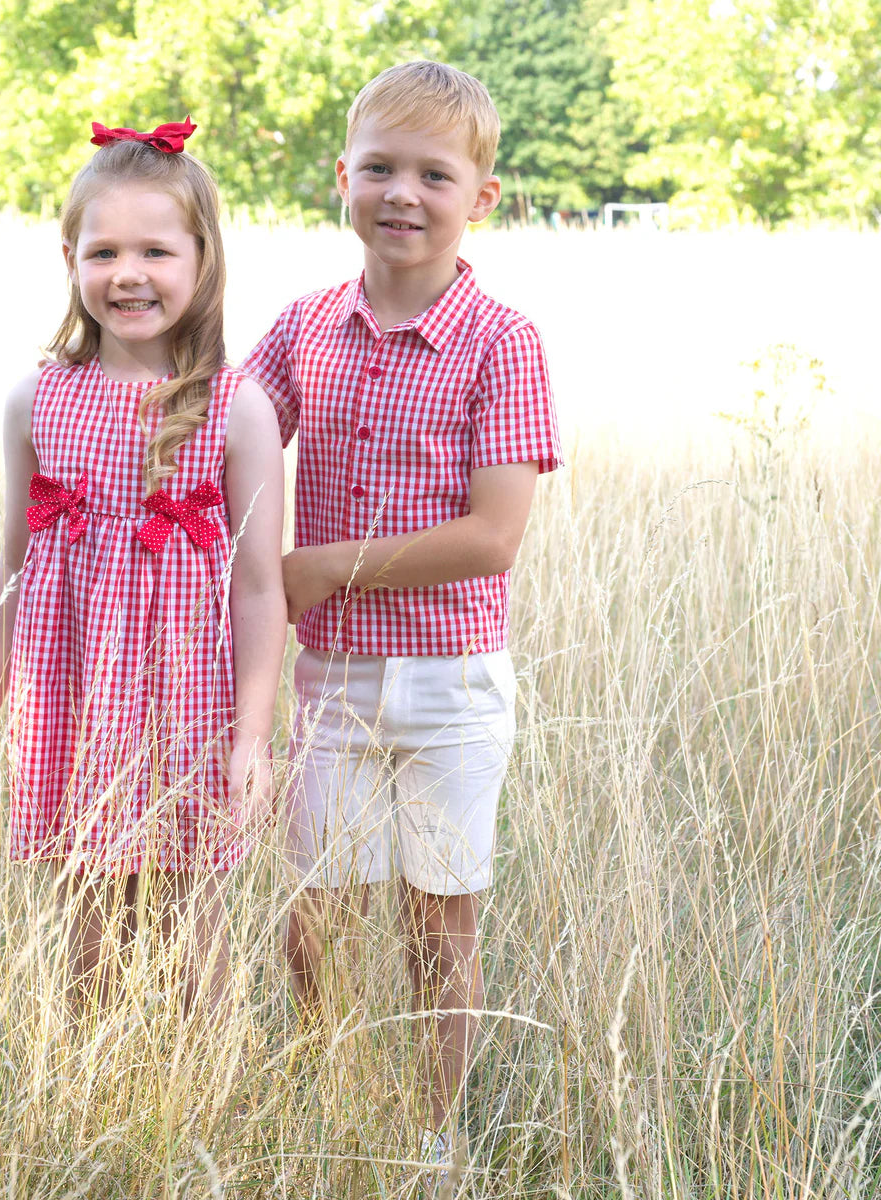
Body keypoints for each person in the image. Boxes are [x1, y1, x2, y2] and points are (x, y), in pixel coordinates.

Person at [242, 62, 562, 1169]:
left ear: (482, 196)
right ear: (342, 177)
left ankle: (434, 1134)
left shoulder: (501, 341)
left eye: (434, 173)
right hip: (331, 681)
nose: (402, 193)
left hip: (452, 684)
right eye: (378, 167)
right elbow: (228, 436)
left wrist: (332, 564)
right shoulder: (304, 329)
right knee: (312, 917)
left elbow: (493, 536)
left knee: (439, 924)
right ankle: (331, 1101)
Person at [0, 118, 287, 1018]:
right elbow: (13, 571)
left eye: (156, 251)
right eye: (104, 251)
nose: (128, 274)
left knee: (189, 919)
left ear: (202, 259)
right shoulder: (37, 397)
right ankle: (88, 1097)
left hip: (185, 699)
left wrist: (252, 739)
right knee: (84, 918)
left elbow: (258, 587)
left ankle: (202, 1097)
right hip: (74, 693)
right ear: (69, 256)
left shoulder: (235, 407)